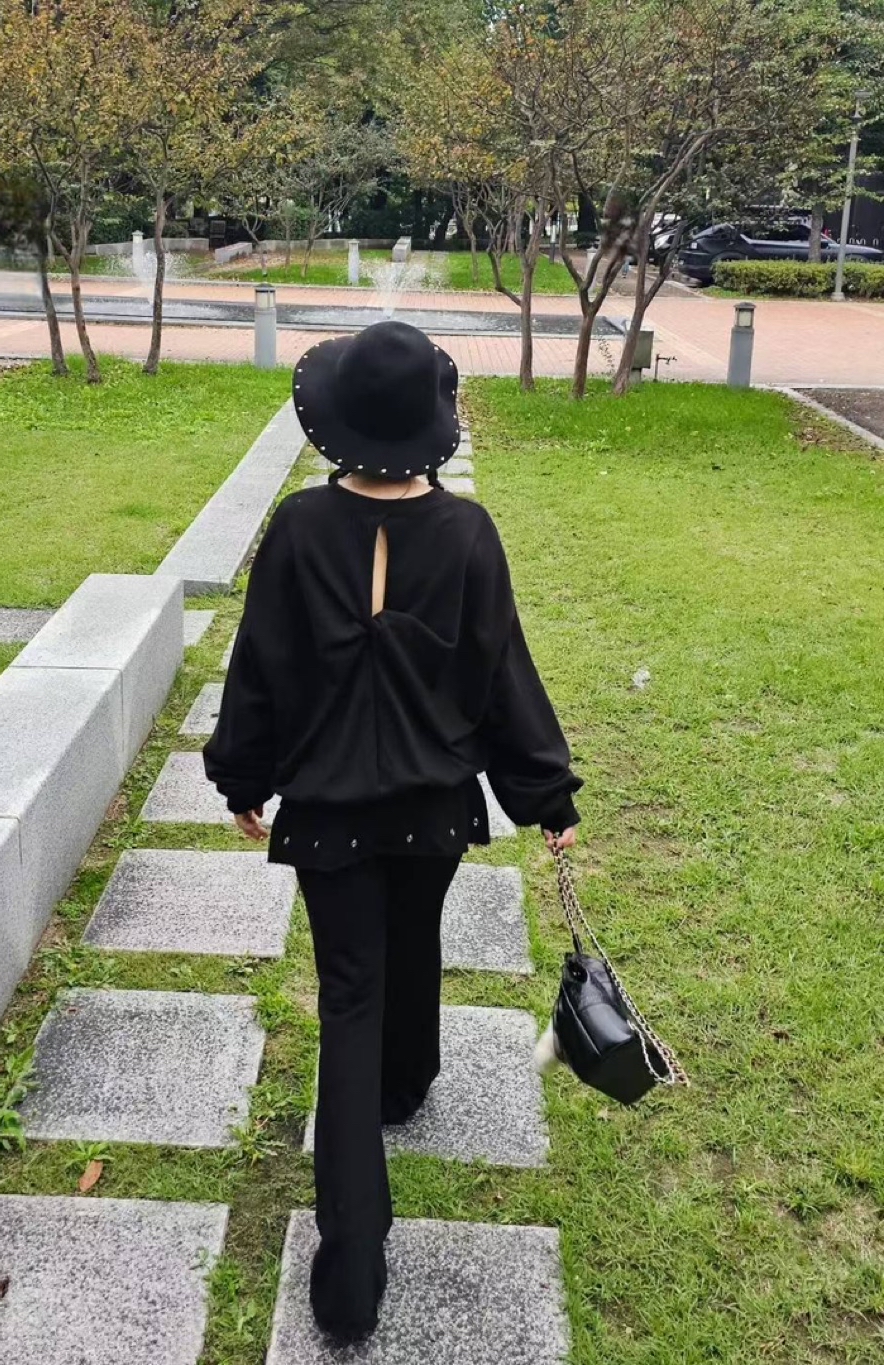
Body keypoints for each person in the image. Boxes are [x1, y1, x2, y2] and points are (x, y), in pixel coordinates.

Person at [203, 320, 581, 1343]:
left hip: (329, 817)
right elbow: (503, 680)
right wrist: (544, 794)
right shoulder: (467, 534)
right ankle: (403, 1090)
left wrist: (242, 776)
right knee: (410, 944)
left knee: (351, 995)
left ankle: (350, 1267)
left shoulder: (297, 530)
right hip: (432, 810)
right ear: (427, 424)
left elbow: (259, 669)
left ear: (340, 421)